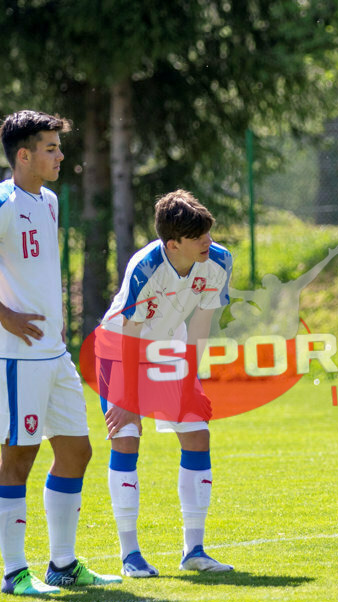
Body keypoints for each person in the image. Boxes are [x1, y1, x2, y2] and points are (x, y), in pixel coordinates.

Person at [0, 110, 120, 596]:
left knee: (77, 451)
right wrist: (4, 314)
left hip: (52, 352)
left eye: (59, 147)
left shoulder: (49, 200)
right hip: (16, 354)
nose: (61, 156)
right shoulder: (0, 201)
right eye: (51, 148)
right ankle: (15, 573)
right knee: (19, 456)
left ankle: (62, 565)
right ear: (23, 155)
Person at [97, 189, 234, 578]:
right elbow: (131, 332)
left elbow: (201, 325)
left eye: (208, 232)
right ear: (173, 244)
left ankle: (194, 551)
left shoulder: (218, 260)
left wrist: (191, 385)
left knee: (197, 434)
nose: (208, 241)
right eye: (198, 237)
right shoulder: (146, 267)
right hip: (120, 347)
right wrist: (128, 399)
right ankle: (130, 555)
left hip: (169, 348)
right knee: (126, 436)